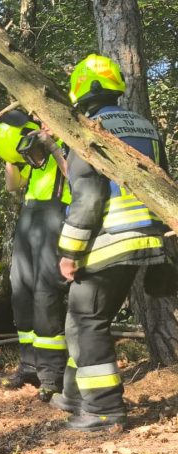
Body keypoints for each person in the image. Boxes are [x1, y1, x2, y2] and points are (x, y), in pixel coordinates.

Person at [52, 54, 167, 431]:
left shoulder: (88, 130)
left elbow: (87, 198)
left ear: (80, 90)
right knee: (83, 318)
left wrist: (69, 252)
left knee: (87, 320)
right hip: (147, 238)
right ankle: (73, 395)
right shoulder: (146, 127)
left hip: (109, 240)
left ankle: (103, 410)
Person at [0, 110, 72, 402]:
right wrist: (9, 154)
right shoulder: (34, 146)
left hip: (56, 215)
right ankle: (29, 365)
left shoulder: (68, 143)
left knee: (45, 293)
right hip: (29, 216)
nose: (42, 124)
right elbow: (13, 186)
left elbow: (75, 176)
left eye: (46, 118)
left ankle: (52, 374)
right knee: (21, 290)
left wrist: (53, 145)